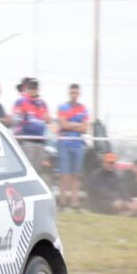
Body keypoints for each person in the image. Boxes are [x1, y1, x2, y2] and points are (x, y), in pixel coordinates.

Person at [56, 83, 90, 211]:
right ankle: (63, 202)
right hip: (64, 144)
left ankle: (74, 203)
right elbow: (63, 124)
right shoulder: (63, 107)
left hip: (78, 144)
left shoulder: (83, 109)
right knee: (64, 174)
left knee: (76, 175)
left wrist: (71, 125)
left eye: (76, 93)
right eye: (72, 92)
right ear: (69, 93)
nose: (74, 95)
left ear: (79, 94)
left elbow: (85, 128)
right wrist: (77, 125)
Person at [12, 78, 50, 176]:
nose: (33, 90)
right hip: (27, 141)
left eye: (35, 87)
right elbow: (16, 121)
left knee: (37, 171)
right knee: (28, 171)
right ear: (27, 89)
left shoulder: (42, 103)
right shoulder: (21, 102)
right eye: (31, 87)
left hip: (40, 141)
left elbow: (47, 120)